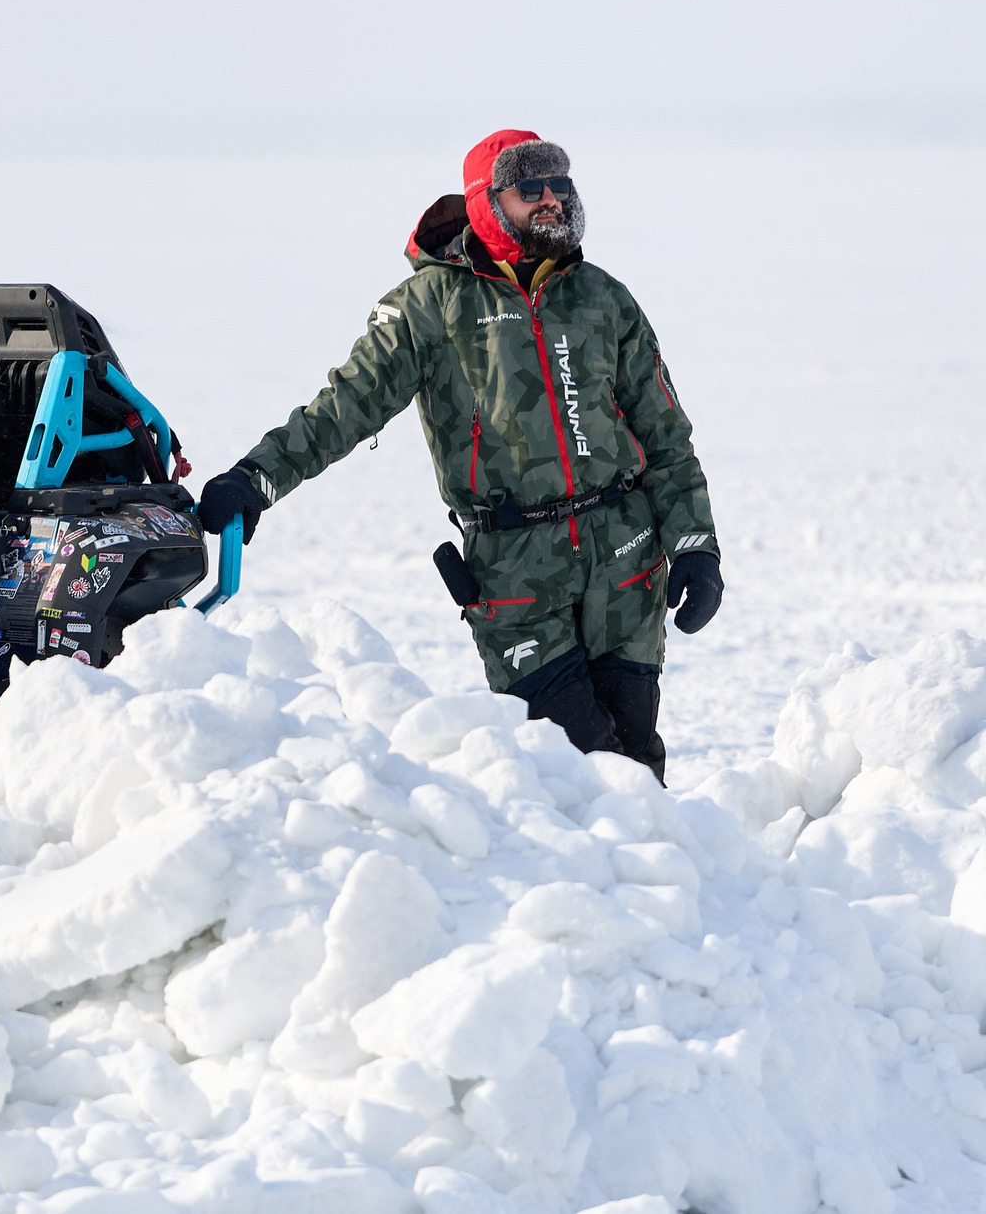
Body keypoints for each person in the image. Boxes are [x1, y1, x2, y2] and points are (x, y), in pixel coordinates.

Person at [194, 129, 721, 781]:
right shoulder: (428, 307)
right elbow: (344, 406)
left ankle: (653, 883)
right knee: (581, 770)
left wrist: (695, 543)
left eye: (560, 184)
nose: (552, 198)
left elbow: (666, 437)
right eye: (531, 188)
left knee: (638, 766)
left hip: (626, 562)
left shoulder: (603, 298)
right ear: (487, 201)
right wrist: (257, 479)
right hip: (515, 576)